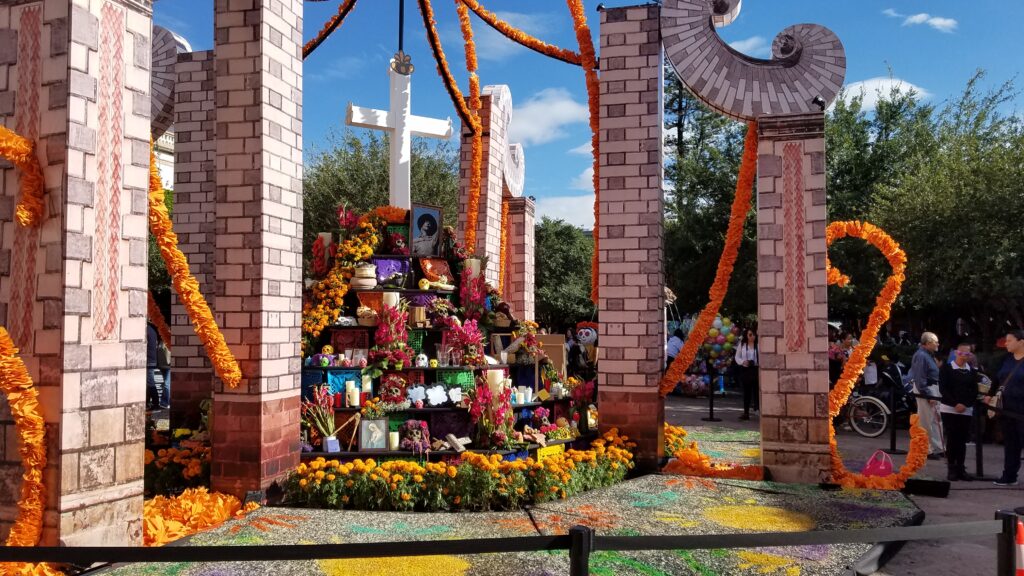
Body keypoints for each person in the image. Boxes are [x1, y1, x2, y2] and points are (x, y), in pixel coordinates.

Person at [939, 342, 981, 481]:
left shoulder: (972, 371)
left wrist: (965, 404)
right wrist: (955, 403)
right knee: (952, 438)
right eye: (961, 353)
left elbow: (974, 390)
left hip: (966, 409)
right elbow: (943, 389)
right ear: (956, 353)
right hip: (949, 408)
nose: (964, 356)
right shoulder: (946, 368)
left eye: (967, 354)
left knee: (962, 439)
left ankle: (961, 468)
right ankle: (951, 468)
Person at [993, 329, 1024, 486]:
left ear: (1021, 342)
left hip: (1022, 409)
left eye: (1009, 340)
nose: (1006, 344)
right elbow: (998, 379)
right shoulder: (1007, 360)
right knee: (1011, 443)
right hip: (1007, 408)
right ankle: (1009, 475)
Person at [910, 331, 945, 459]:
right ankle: (927, 449)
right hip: (927, 389)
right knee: (926, 420)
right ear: (928, 342)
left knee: (936, 419)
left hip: (932, 387)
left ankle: (938, 447)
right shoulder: (921, 356)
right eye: (935, 342)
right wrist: (928, 394)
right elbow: (920, 377)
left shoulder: (928, 355)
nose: (938, 344)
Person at [734, 328, 759, 420]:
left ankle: (757, 409)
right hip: (746, 370)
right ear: (746, 336)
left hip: (756, 369)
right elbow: (737, 357)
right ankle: (746, 412)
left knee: (757, 391)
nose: (752, 337)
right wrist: (742, 362)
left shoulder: (758, 345)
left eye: (753, 335)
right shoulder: (742, 345)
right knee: (747, 392)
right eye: (750, 335)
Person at [146, 323, 165, 410]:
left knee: (150, 383)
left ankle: (155, 403)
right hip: (151, 359)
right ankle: (150, 403)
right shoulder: (151, 330)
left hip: (148, 360)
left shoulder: (147, 330)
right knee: (149, 382)